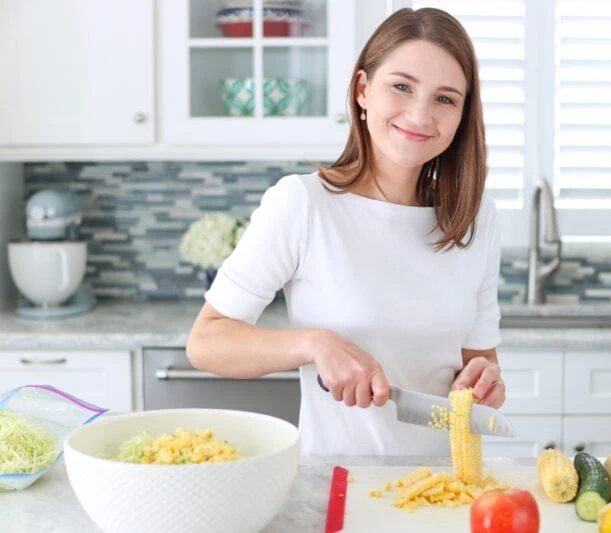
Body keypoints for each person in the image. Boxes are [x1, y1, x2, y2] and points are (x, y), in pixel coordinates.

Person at [186, 7, 505, 456]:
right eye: (401, 87)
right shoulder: (302, 203)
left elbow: (479, 359)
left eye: (445, 98)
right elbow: (207, 342)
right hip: (337, 485)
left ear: (461, 116)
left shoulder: (475, 218)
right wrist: (313, 344)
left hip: (445, 491)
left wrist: (486, 380)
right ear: (362, 90)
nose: (419, 114)